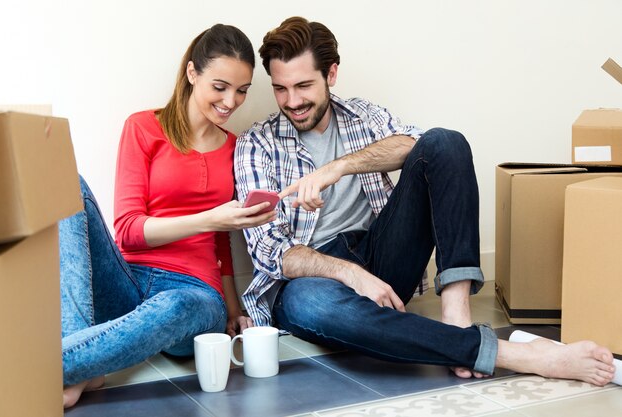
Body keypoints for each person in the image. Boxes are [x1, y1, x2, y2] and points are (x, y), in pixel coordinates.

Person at [234, 16, 615, 386]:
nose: (293, 100)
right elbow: (273, 253)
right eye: (281, 88)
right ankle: (515, 355)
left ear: (331, 75)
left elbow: (421, 146)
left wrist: (339, 168)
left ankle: (456, 311)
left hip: (379, 252)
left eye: (304, 85)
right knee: (314, 309)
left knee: (447, 141)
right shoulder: (257, 144)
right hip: (315, 279)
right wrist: (351, 274)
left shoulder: (361, 114)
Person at [60, 24, 276, 408]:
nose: (231, 101)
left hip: (194, 294)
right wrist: (211, 217)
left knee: (174, 307)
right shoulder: (143, 127)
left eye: (242, 90)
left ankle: (56, 364)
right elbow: (127, 233)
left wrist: (231, 308)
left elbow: (222, 241)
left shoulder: (236, 148)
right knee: (66, 184)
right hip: (130, 280)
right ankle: (83, 365)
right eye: (220, 86)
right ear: (193, 74)